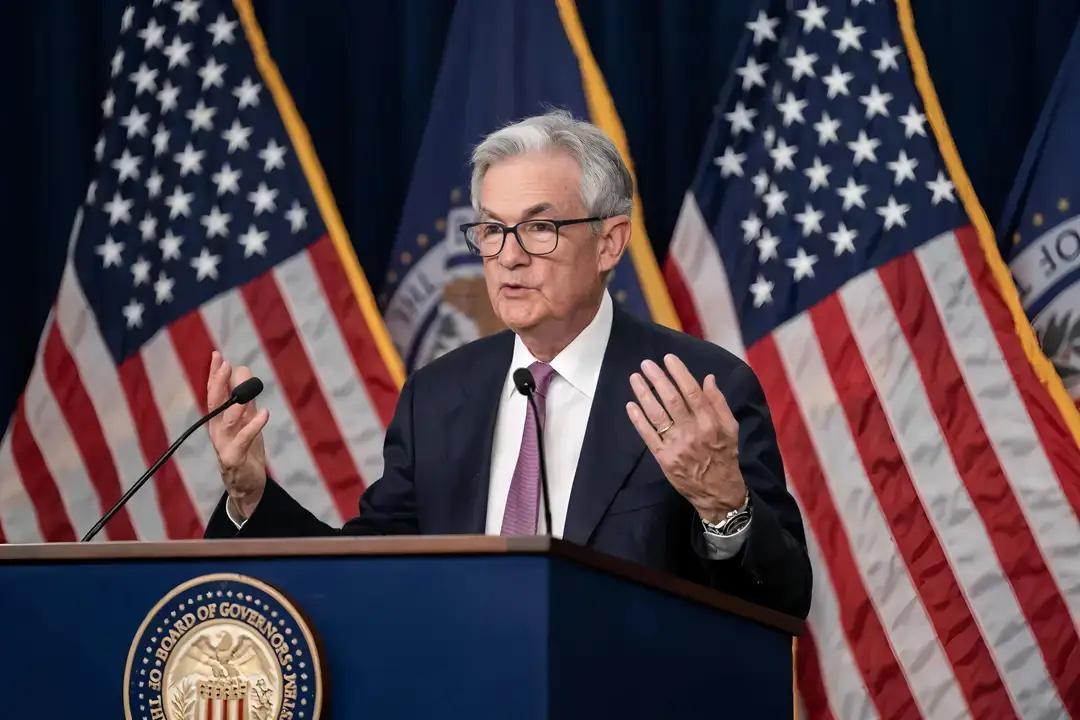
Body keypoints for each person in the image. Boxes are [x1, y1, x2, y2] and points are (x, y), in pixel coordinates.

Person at [205, 110, 811, 618]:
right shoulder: (438, 395)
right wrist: (252, 496)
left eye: (539, 228)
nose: (509, 257)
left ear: (609, 242)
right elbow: (365, 572)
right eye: (493, 230)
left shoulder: (697, 390)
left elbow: (784, 600)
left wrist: (724, 506)